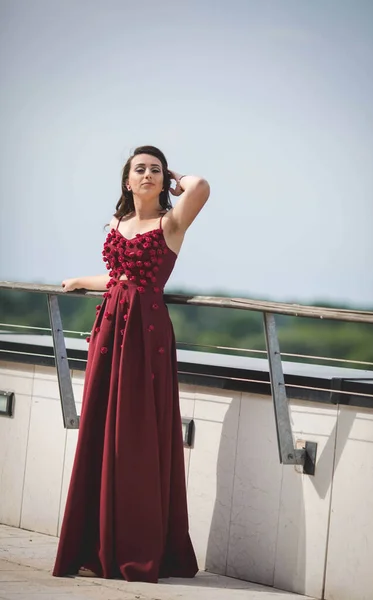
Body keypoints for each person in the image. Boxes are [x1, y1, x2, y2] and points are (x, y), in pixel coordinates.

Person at [53, 145, 210, 583]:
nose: (148, 175)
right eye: (139, 169)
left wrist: (175, 176)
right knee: (102, 430)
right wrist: (81, 281)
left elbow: (200, 187)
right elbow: (118, 277)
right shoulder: (116, 223)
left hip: (146, 333)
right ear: (127, 180)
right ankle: (96, 541)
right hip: (109, 328)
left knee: (137, 433)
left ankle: (139, 545)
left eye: (155, 170)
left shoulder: (172, 222)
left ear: (164, 180)